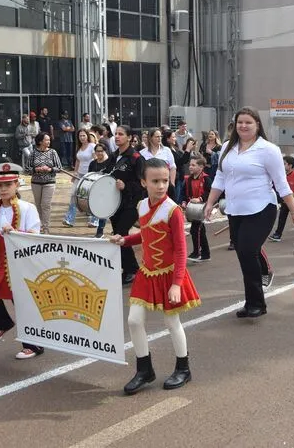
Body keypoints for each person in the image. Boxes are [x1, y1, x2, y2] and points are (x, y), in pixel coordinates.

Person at [203, 107, 294, 318]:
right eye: (240, 122)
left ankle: (257, 303)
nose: (243, 126)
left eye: (248, 122)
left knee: (248, 251)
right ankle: (251, 301)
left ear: (257, 125)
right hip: (235, 210)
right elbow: (220, 179)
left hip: (261, 209)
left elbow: (281, 183)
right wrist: (209, 203)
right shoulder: (228, 148)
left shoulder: (268, 149)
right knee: (243, 254)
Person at [110, 158, 200, 393]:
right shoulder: (141, 206)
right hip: (147, 272)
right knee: (134, 320)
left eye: (164, 180)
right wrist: (124, 240)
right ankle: (144, 369)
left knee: (172, 321)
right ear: (143, 182)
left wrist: (176, 284)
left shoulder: (173, 210)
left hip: (170, 274)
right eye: (155, 181)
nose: (161, 186)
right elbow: (145, 236)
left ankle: (183, 368)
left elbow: (181, 250)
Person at [0, 162, 45, 360]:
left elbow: (35, 235)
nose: (3, 189)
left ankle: (33, 345)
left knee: (22, 303)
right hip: (0, 262)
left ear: (17, 185)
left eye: (8, 185)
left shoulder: (27, 208)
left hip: (21, 263)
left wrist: (16, 233)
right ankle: (3, 324)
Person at [109, 125, 145, 284]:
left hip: (132, 204)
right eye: (116, 134)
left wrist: (126, 186)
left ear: (129, 138)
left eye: (121, 134)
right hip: (115, 203)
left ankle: (132, 269)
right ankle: (128, 268)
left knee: (122, 233)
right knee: (117, 234)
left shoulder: (136, 158)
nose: (117, 137)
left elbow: (143, 183)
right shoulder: (113, 156)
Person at [23, 132, 62, 234]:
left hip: (49, 182)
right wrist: (37, 169)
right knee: (38, 205)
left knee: (46, 205)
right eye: (46, 140)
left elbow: (59, 168)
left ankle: (45, 226)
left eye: (49, 140)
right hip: (36, 182)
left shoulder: (53, 152)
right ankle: (39, 224)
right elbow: (26, 169)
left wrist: (49, 169)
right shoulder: (33, 153)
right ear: (40, 141)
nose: (49, 142)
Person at [269, 155, 294, 241]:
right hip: (285, 200)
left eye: (284, 164)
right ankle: (278, 234)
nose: (282, 166)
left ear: (290, 165)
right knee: (282, 217)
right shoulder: (282, 175)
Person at [64, 129, 96, 227]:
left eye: (83, 135)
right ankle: (69, 219)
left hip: (90, 176)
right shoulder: (79, 147)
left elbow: (96, 160)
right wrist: (75, 173)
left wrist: (95, 174)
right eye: (80, 136)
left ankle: (94, 220)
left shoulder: (92, 146)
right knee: (73, 195)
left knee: (91, 197)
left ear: (87, 136)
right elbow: (78, 161)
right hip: (79, 175)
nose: (82, 138)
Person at [183, 154, 211, 262]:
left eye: (193, 165)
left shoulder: (206, 179)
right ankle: (206, 254)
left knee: (195, 230)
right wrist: (184, 201)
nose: (190, 167)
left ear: (201, 167)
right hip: (193, 209)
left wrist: (200, 198)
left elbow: (210, 192)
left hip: (202, 208)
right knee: (200, 230)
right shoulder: (188, 179)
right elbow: (183, 192)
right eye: (190, 165)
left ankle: (197, 253)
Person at [88, 142, 112, 237]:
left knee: (104, 210)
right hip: (95, 190)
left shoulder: (109, 163)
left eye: (101, 151)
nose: (99, 153)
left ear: (105, 151)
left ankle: (100, 231)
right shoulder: (92, 163)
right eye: (97, 151)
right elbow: (89, 176)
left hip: (106, 190)